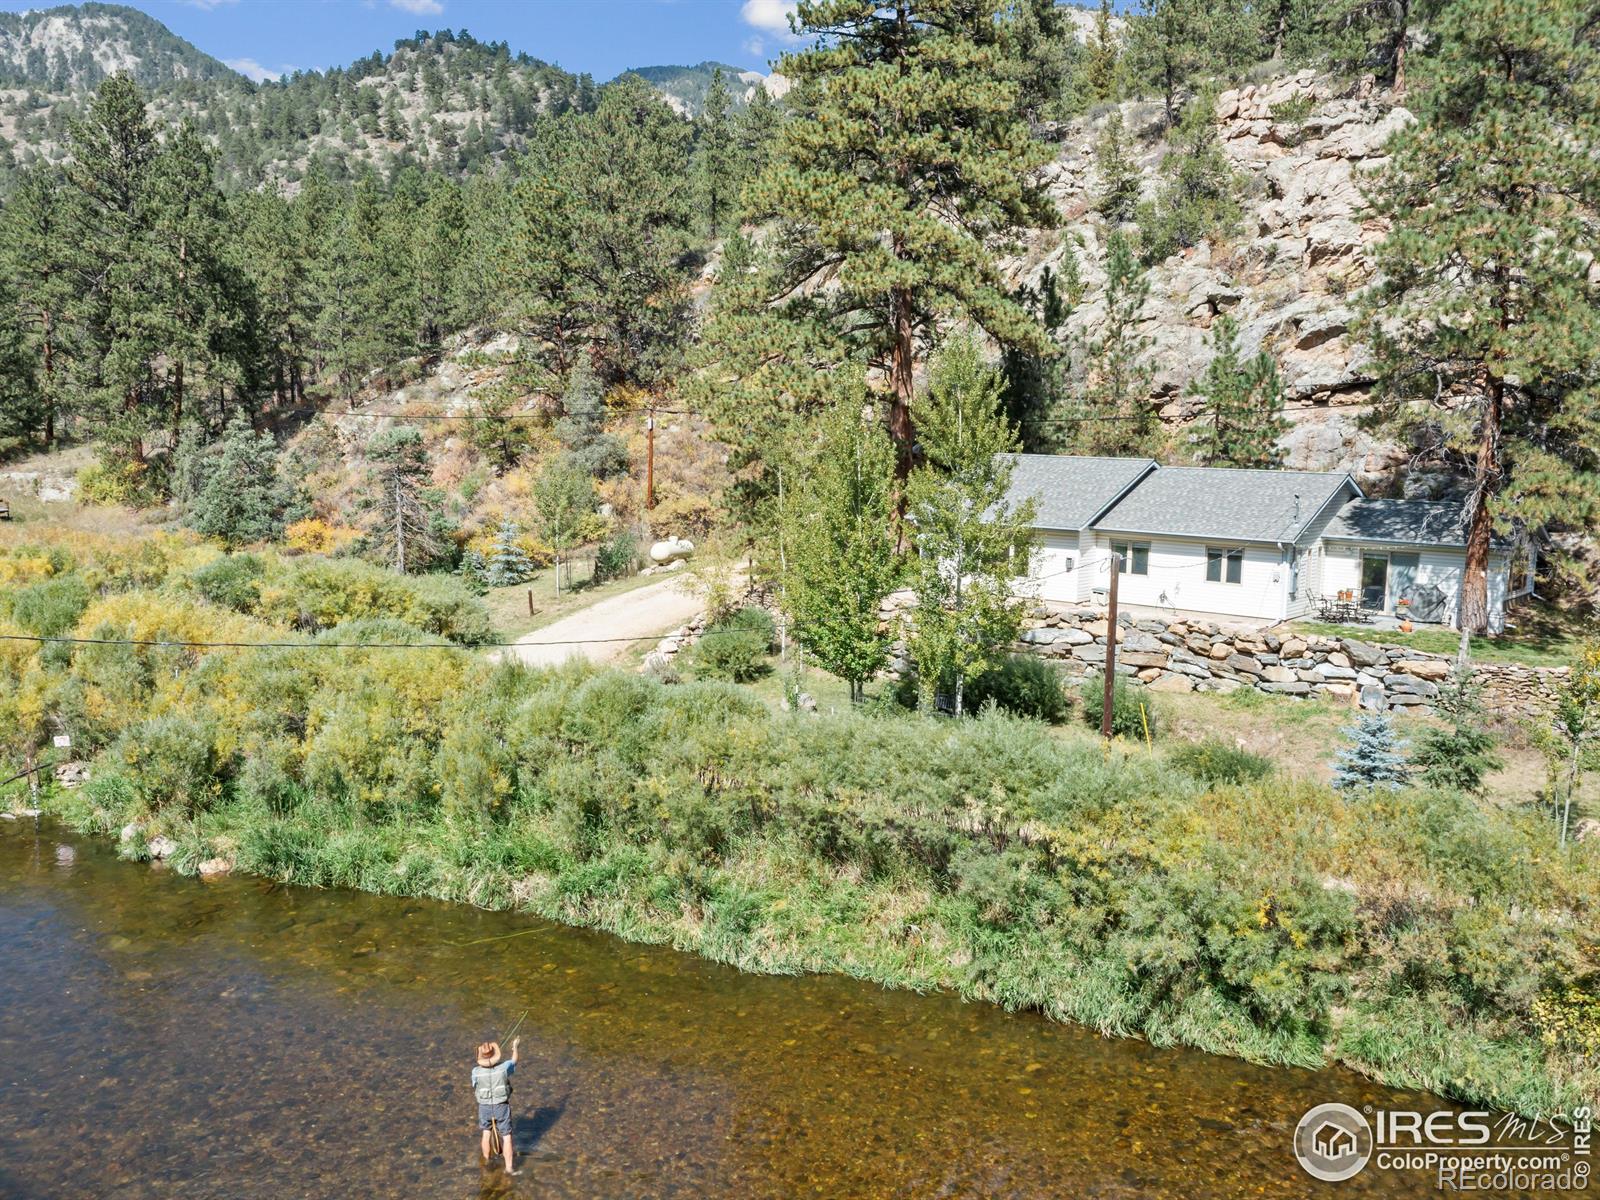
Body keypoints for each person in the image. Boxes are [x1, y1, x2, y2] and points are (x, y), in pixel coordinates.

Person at [472, 1037, 520, 1174]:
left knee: (486, 1133)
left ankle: (487, 1161)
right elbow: (514, 1060)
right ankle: (509, 1169)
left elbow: (475, 1085)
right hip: (501, 1106)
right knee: (507, 1137)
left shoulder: (475, 1072)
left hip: (484, 1107)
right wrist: (515, 1047)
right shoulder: (504, 1068)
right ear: (495, 1055)